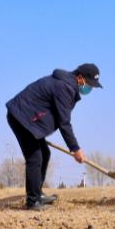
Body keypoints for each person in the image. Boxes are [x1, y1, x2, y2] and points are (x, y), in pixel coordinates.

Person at [6, 63, 103, 210]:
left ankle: (38, 194)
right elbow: (64, 123)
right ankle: (32, 201)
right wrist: (75, 149)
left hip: (29, 119)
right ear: (81, 78)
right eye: (89, 84)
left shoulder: (66, 85)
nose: (90, 88)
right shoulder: (64, 88)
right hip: (21, 118)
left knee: (44, 153)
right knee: (35, 157)